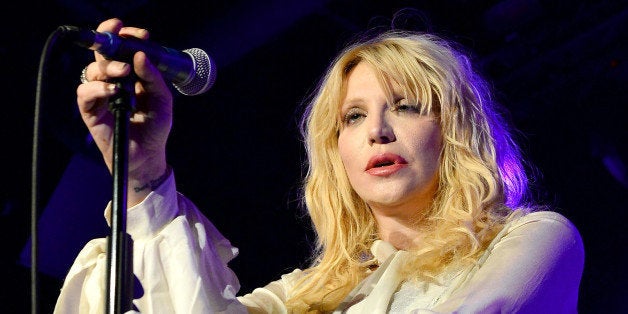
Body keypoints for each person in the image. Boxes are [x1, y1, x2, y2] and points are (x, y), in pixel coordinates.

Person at [54, 17, 584, 313]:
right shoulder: (307, 295)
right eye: (354, 117)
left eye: (406, 105)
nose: (378, 130)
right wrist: (143, 173)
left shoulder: (533, 239)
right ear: (339, 155)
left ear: (455, 131)